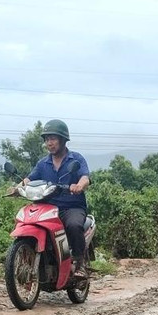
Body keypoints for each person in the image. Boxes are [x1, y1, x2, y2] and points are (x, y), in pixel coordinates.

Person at [24, 119, 92, 278]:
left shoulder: (76, 159)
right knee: (30, 222)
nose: (49, 143)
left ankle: (80, 264)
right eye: (47, 139)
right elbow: (30, 179)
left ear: (63, 140)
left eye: (53, 138)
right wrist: (18, 187)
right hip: (47, 207)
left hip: (71, 207)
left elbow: (85, 177)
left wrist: (79, 185)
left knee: (74, 225)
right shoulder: (43, 163)